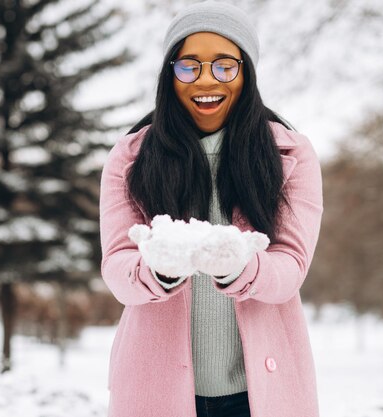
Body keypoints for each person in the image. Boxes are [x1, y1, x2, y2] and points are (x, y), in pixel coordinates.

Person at [98, 1, 324, 416]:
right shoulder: (130, 157)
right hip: (156, 392)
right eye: (189, 66)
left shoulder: (290, 154)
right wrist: (157, 269)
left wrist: (240, 267)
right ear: (170, 74)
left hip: (258, 396)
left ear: (246, 72)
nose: (206, 80)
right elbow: (117, 267)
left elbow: (290, 267)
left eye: (224, 66)